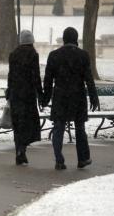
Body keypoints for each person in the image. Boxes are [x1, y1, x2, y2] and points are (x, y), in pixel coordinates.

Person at [42, 27, 100, 170]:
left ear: (64, 39)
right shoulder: (83, 55)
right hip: (78, 96)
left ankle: (59, 160)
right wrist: (93, 97)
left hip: (60, 96)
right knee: (80, 128)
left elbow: (48, 80)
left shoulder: (54, 55)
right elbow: (89, 79)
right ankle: (83, 158)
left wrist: (45, 98)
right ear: (76, 39)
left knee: (58, 127)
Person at [7, 30, 43, 165]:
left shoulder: (13, 55)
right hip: (28, 95)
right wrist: (40, 93)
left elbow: (10, 75)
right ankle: (22, 150)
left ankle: (19, 151)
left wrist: (9, 91)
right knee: (28, 124)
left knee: (18, 124)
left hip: (16, 94)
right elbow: (35, 76)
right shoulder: (33, 54)